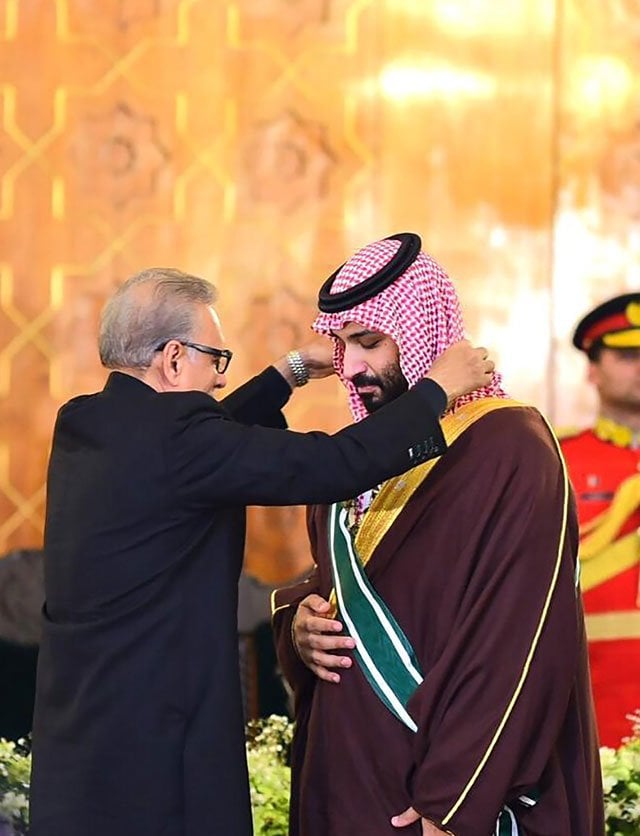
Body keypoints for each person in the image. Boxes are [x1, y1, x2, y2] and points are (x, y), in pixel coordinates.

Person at [28, 266, 493, 836]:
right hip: (156, 753)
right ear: (173, 359)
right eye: (215, 359)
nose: (221, 380)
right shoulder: (182, 444)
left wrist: (290, 371)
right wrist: (437, 389)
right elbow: (332, 465)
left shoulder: (84, 422)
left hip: (81, 745)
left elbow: (208, 438)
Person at [272, 233, 604, 836]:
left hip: (453, 801)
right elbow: (357, 587)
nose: (354, 367)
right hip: (348, 780)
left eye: (369, 342)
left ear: (423, 329)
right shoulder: (357, 460)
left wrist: (452, 802)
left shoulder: (510, 449)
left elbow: (518, 640)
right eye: (342, 346)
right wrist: (298, 621)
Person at [560, 293, 640, 748]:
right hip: (587, 711)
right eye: (628, 355)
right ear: (592, 369)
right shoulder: (555, 461)